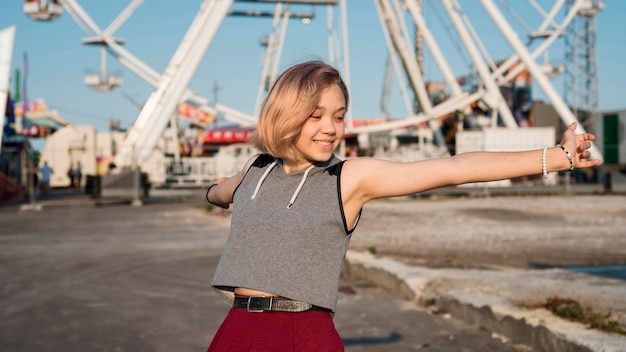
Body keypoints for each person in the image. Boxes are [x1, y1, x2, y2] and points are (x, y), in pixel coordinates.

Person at [204, 60, 599, 351]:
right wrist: (214, 192)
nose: (331, 128)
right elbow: (222, 192)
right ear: (285, 113)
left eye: (339, 117)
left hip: (300, 333)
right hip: (237, 328)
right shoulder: (255, 171)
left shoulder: (347, 179)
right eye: (316, 115)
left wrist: (558, 155)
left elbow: (453, 168)